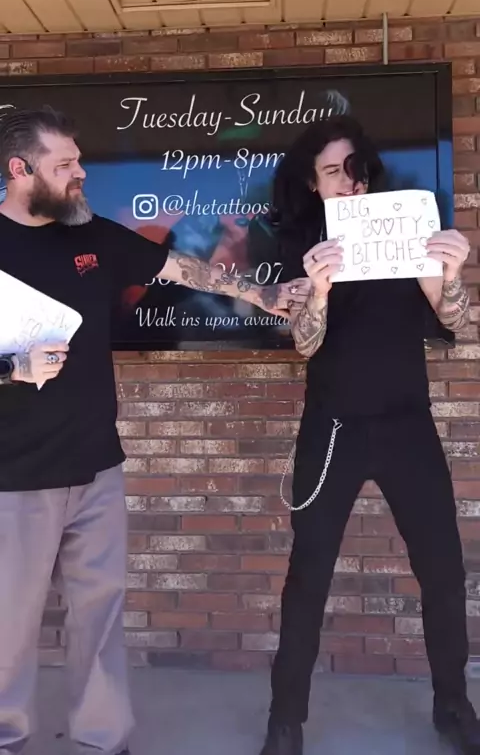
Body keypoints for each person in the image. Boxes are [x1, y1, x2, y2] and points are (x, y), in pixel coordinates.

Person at [0, 106, 308, 755]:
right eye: (65, 164)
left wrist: (265, 297)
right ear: (19, 170)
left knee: (100, 621)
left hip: (96, 468)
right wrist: (13, 368)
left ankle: (102, 740)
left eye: (80, 160)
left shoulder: (93, 236)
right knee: (7, 630)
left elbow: (182, 270)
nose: (81, 173)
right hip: (14, 479)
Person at [258, 115, 477, 755]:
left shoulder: (405, 225)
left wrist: (452, 272)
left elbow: (454, 319)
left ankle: (453, 704)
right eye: (332, 171)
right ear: (313, 182)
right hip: (332, 427)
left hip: (407, 422)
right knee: (309, 575)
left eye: (354, 168)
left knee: (443, 568)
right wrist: (319, 290)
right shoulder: (301, 242)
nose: (347, 181)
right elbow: (304, 345)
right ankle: (285, 720)